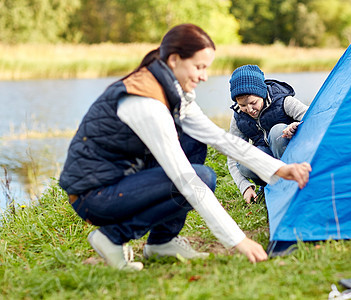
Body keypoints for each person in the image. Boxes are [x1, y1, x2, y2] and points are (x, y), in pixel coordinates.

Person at [59, 24, 312, 270]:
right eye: (199, 67)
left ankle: (162, 242)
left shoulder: (172, 91)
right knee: (202, 177)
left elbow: (220, 139)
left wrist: (279, 170)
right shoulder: (146, 102)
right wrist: (238, 241)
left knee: (194, 140)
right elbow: (185, 179)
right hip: (94, 196)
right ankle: (113, 236)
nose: (204, 76)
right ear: (175, 61)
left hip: (125, 178)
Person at [227, 65, 309, 203]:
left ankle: (293, 181)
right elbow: (233, 156)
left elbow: (314, 118)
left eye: (253, 103)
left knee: (277, 131)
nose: (249, 109)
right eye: (242, 105)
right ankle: (269, 186)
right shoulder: (238, 116)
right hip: (267, 162)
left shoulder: (284, 101)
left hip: (289, 153)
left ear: (262, 93)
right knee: (244, 160)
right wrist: (245, 187)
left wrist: (296, 125)